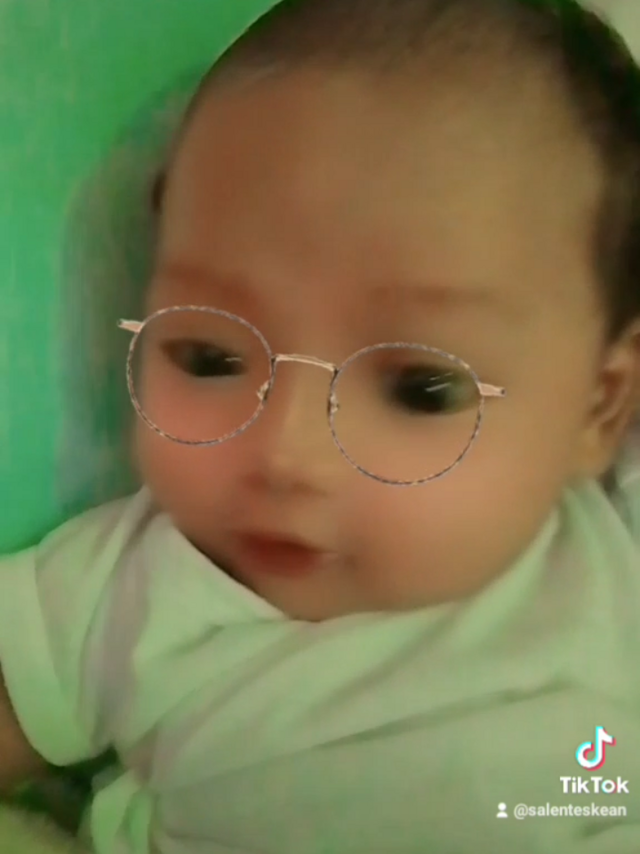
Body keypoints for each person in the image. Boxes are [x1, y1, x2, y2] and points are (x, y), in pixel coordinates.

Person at [1, 0, 640, 851]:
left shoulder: (614, 541)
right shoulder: (136, 585)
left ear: (600, 406)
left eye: (419, 389)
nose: (286, 453)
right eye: (210, 357)